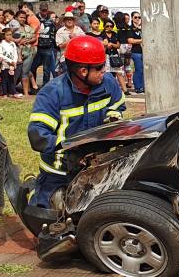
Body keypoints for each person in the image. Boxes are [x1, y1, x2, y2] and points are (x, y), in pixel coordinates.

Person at [27, 35, 126, 207]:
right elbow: (38, 136)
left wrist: (113, 117)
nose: (105, 70)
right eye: (100, 67)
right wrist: (71, 146)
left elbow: (117, 106)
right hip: (59, 171)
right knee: (49, 214)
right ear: (82, 71)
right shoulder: (52, 93)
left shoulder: (108, 83)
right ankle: (33, 191)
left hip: (96, 165)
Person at [120, 10, 144, 93]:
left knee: (143, 70)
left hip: (143, 51)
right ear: (132, 18)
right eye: (135, 17)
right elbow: (130, 40)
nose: (138, 19)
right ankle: (138, 87)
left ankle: (143, 86)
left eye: (139, 17)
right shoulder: (130, 29)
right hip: (135, 51)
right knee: (138, 69)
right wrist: (142, 40)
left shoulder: (141, 28)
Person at [0, 28, 21, 98]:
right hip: (5, 64)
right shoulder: (1, 43)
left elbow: (15, 53)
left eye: (10, 35)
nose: (9, 36)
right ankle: (5, 93)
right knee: (4, 79)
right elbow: (1, 54)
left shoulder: (13, 43)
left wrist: (14, 61)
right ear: (4, 35)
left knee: (11, 78)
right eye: (7, 35)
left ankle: (13, 92)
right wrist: (10, 61)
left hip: (12, 64)